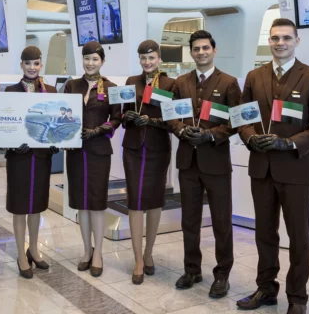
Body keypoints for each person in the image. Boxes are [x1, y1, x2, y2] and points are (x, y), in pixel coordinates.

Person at [236, 18, 309, 314]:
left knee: (297, 239)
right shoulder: (255, 76)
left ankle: (297, 299)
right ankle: (266, 289)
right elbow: (243, 117)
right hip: (261, 168)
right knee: (264, 234)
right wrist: (250, 136)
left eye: (286, 38)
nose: (280, 43)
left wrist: (289, 142)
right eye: (275, 38)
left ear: (297, 41)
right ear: (269, 40)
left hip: (294, 169)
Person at [168, 30, 241, 299]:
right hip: (188, 162)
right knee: (190, 220)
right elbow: (170, 116)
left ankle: (222, 275)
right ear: (191, 52)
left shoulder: (230, 83)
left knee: (222, 221)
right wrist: (180, 131)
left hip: (216, 162)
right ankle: (192, 269)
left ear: (214, 50)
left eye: (205, 48)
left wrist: (211, 134)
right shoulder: (180, 82)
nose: (201, 52)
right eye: (196, 49)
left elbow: (236, 121)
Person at [64, 41, 122, 277]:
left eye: (95, 59)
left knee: (97, 204)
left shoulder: (111, 87)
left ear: (102, 61)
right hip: (76, 152)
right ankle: (87, 251)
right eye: (87, 58)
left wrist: (99, 130)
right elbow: (61, 113)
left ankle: (98, 253)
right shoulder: (71, 85)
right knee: (82, 204)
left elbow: (117, 118)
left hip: (98, 152)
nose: (90, 63)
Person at [121, 40, 175, 285]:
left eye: (151, 57)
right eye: (143, 58)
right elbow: (120, 115)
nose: (147, 62)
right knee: (135, 201)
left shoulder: (170, 84)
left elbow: (174, 120)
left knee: (154, 201)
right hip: (133, 148)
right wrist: (127, 116)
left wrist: (151, 122)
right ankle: (137, 260)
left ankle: (149, 252)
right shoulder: (131, 82)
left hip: (158, 148)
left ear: (159, 58)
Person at [4, 46, 60, 278]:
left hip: (41, 157)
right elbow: (4, 126)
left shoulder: (51, 91)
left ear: (40, 65)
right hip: (19, 157)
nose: (32, 68)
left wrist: (57, 140)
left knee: (37, 205)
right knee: (19, 206)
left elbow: (57, 122)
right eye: (28, 63)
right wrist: (12, 142)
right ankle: (20, 254)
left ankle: (34, 250)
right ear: (21, 65)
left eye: (36, 63)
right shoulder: (10, 91)